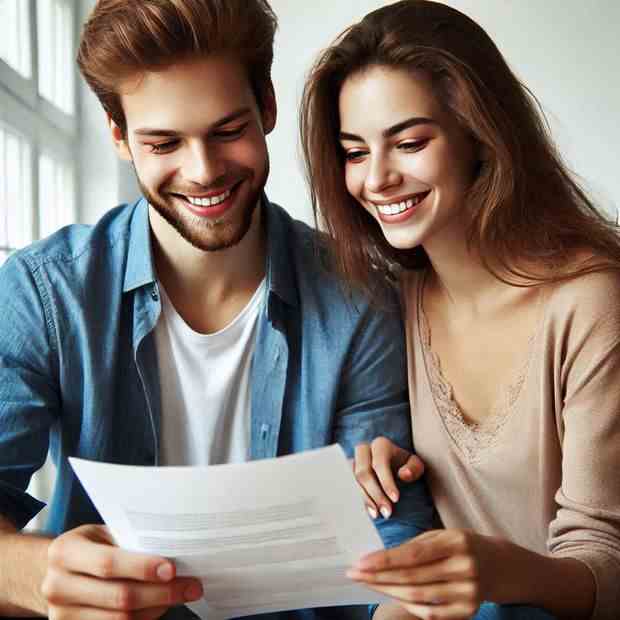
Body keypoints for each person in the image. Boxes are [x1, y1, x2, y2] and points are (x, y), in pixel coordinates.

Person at [0, 1, 436, 618]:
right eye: (164, 142)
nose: (203, 172)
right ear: (119, 136)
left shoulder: (358, 297)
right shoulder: (44, 293)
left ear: (268, 106)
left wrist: (410, 601)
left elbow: (395, 537)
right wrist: (42, 573)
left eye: (228, 131)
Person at [300, 1, 620, 619]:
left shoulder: (591, 304)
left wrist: (501, 571)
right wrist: (400, 468)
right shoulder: (401, 300)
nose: (379, 178)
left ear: (480, 134)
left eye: (410, 142)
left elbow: (608, 574)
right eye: (355, 152)